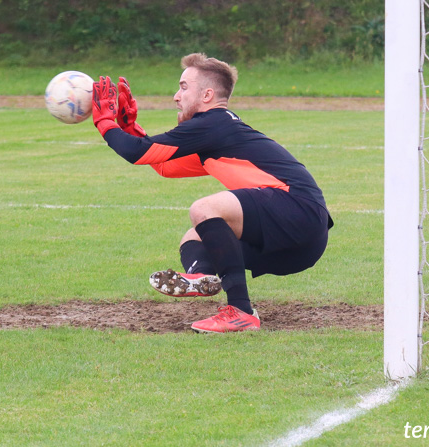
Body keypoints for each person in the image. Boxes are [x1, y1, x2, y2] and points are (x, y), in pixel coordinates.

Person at [92, 53, 333, 333]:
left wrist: (105, 122)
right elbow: (162, 165)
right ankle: (204, 276)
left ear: (207, 95)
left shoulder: (212, 124)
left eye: (183, 87)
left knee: (204, 209)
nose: (175, 96)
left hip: (297, 211)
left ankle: (240, 313)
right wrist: (128, 128)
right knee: (193, 238)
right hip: (302, 243)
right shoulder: (218, 132)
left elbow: (136, 152)